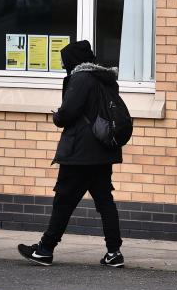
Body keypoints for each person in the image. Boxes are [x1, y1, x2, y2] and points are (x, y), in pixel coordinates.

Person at [18, 40, 125, 267]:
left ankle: (45, 249)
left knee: (63, 201)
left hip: (79, 152)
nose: (63, 65)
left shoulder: (81, 78)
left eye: (64, 61)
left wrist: (57, 116)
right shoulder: (104, 79)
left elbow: (67, 113)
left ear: (72, 61)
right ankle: (114, 253)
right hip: (103, 151)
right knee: (105, 202)